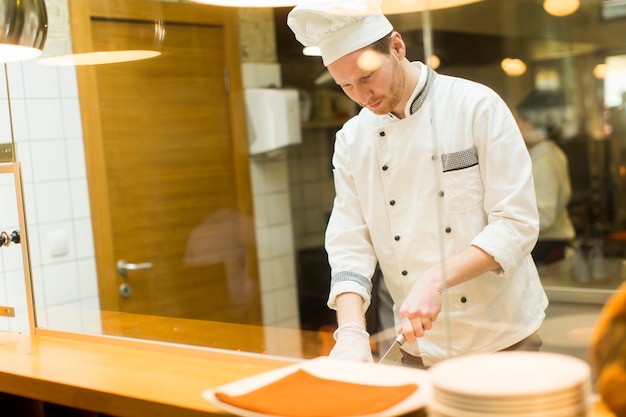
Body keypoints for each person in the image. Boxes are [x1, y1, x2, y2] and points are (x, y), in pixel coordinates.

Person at [287, 0, 548, 367]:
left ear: (396, 47)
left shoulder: (475, 106)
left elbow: (516, 224)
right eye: (345, 86)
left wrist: (434, 280)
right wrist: (350, 330)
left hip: (501, 340)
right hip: (419, 346)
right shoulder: (352, 138)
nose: (362, 97)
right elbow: (350, 240)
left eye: (366, 77)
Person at [516, 106, 576, 267]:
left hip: (548, 244)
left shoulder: (544, 158)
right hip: (547, 242)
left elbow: (545, 215)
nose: (516, 127)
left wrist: (514, 226)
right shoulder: (542, 153)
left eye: (519, 121)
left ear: (532, 124)